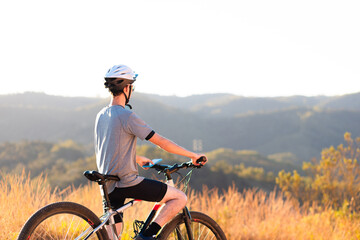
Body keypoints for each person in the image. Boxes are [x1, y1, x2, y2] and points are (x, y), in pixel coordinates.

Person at [94, 64, 207, 240]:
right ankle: (146, 236)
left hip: (109, 185)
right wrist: (193, 155)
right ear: (127, 88)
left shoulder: (101, 115)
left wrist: (136, 158)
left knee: (113, 237)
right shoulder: (127, 116)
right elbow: (161, 142)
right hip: (126, 182)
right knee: (179, 198)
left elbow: (108, 148)